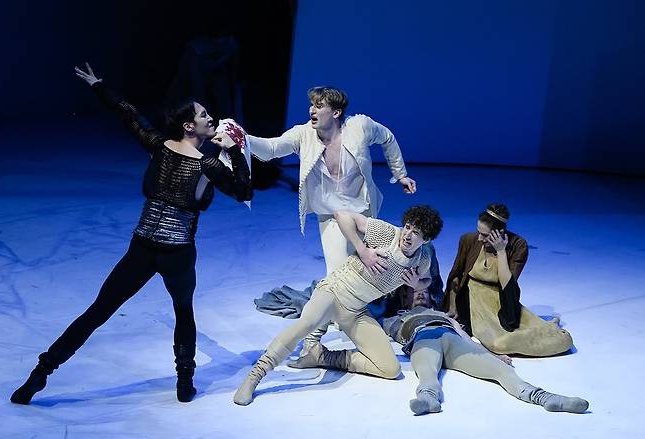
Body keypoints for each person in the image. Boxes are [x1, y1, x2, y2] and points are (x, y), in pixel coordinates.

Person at [10, 63, 252, 405]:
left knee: (98, 311)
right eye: (204, 114)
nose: (211, 118)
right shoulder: (207, 164)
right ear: (189, 125)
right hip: (177, 252)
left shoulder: (160, 146)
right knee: (183, 311)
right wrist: (233, 152)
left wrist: (99, 86)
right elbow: (244, 192)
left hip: (142, 248)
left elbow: (128, 115)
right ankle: (185, 382)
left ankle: (40, 374)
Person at [248, 86, 419, 353]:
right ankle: (318, 335)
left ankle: (348, 314)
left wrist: (400, 174)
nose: (311, 111)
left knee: (368, 269)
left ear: (336, 112)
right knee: (336, 274)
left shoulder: (360, 126)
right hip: (331, 216)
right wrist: (242, 140)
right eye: (311, 105)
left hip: (363, 211)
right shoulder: (303, 134)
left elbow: (387, 137)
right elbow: (271, 148)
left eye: (319, 106)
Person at [233, 206, 443, 406]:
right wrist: (362, 250)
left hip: (356, 311)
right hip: (334, 291)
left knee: (390, 368)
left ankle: (320, 356)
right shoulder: (387, 233)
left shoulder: (422, 259)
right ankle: (255, 376)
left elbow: (426, 280)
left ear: (426, 239)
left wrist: (417, 285)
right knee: (305, 325)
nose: (407, 235)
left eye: (416, 232)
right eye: (407, 227)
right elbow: (342, 214)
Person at [369, 290, 589, 414]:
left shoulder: (442, 313)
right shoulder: (393, 318)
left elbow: (463, 335)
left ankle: (544, 397)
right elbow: (369, 318)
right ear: (404, 299)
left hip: (452, 339)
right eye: (415, 293)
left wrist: (491, 355)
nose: (420, 295)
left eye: (423, 293)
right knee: (427, 372)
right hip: (423, 339)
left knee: (501, 370)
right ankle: (428, 399)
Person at [443, 203, 572, 356]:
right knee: (498, 344)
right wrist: (452, 307)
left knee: (560, 340)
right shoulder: (468, 240)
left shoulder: (518, 245)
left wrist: (501, 251)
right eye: (479, 232)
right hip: (474, 303)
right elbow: (456, 276)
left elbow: (508, 285)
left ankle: (544, 329)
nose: (479, 238)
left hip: (501, 304)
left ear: (499, 233)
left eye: (485, 235)